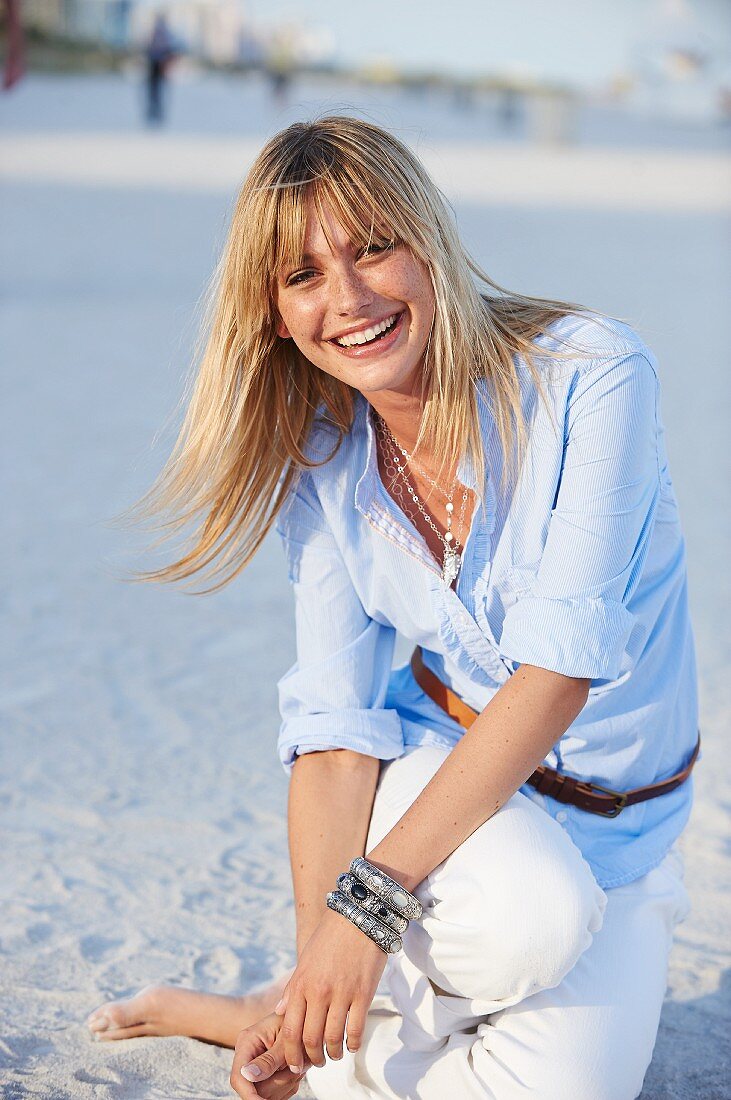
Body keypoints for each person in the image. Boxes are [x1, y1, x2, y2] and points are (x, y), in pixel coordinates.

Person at [85, 117, 699, 1100]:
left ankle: (262, 1014)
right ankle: (311, 1001)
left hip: (618, 832)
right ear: (274, 313)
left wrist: (363, 910)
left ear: (429, 241)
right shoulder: (323, 458)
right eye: (303, 275)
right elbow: (333, 730)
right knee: (526, 918)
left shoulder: (590, 372)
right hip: (444, 784)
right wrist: (326, 939)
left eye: (373, 245)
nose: (350, 297)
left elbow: (556, 671)